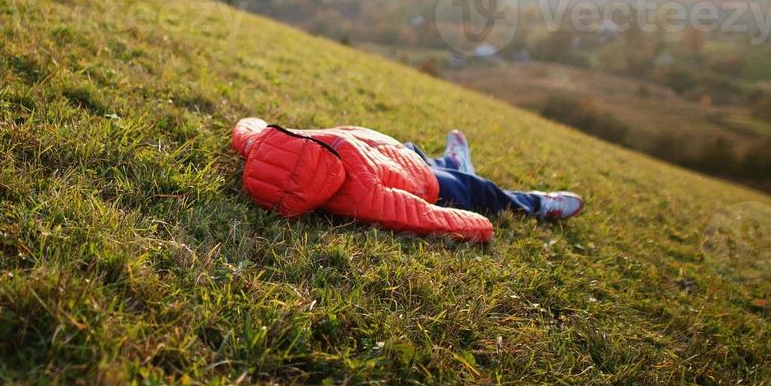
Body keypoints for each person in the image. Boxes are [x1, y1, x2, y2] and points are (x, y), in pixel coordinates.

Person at [230, 118, 584, 243]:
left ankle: (452, 161)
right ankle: (537, 204)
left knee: (416, 151)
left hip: (395, 153)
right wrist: (478, 225)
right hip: (423, 180)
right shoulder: (357, 194)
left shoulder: (266, 145)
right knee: (477, 191)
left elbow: (248, 130)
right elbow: (415, 214)